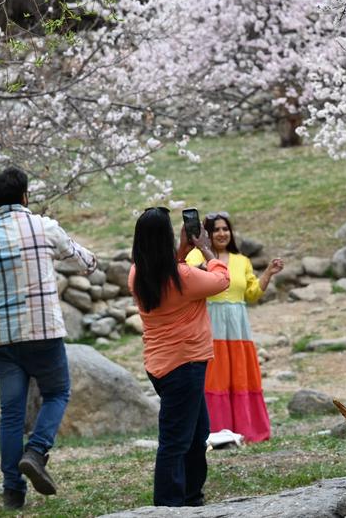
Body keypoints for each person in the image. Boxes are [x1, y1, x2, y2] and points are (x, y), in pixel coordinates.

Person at [0, 167, 97, 509]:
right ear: (25, 196)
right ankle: (36, 451)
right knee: (57, 392)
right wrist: (91, 261)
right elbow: (82, 261)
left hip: (3, 340)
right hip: (44, 332)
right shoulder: (43, 226)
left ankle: (12, 491)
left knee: (11, 414)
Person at [128, 207, 230, 507]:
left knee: (197, 434)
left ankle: (191, 497)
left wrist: (183, 252)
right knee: (175, 442)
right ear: (167, 238)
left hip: (161, 364)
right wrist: (206, 249)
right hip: (185, 365)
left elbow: (168, 271)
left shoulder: (137, 273)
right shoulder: (183, 277)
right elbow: (221, 280)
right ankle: (168, 506)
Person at [184, 212, 282, 442]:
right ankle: (214, 429)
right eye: (216, 229)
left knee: (240, 374)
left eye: (225, 229)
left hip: (238, 327)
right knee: (213, 376)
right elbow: (188, 280)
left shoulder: (241, 261)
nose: (221, 233)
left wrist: (267, 273)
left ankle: (247, 428)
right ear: (206, 234)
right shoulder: (195, 256)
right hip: (209, 323)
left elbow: (252, 294)